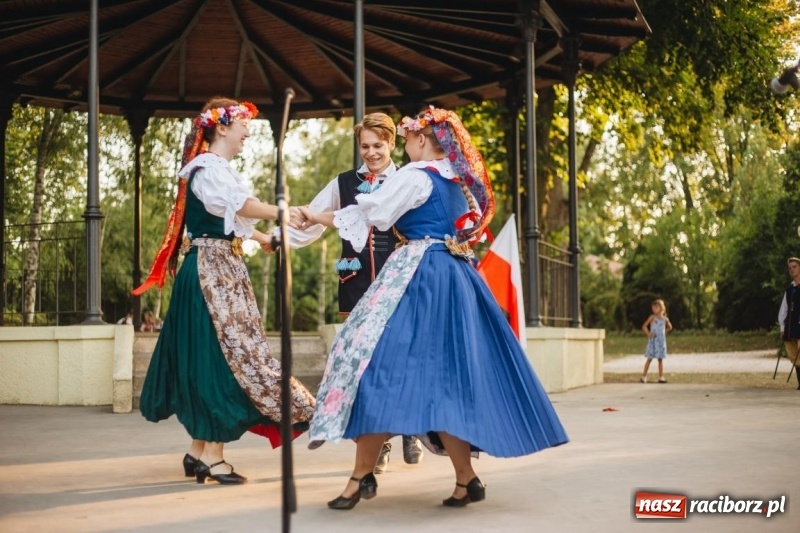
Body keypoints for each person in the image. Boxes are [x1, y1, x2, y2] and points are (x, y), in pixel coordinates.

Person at [297, 106, 569, 510]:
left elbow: (374, 214)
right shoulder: (453, 180)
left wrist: (314, 216)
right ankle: (466, 479)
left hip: (421, 276)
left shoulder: (415, 175)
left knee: (375, 369)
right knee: (445, 382)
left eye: (405, 138)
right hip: (456, 277)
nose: (403, 145)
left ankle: (360, 477)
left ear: (422, 139)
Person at [133, 97, 316, 485]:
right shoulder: (208, 168)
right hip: (210, 273)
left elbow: (232, 217)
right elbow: (241, 205)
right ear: (221, 127)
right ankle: (214, 458)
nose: (248, 132)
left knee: (223, 355)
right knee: (221, 360)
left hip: (221, 268)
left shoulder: (217, 169)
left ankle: (197, 452)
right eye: (244, 125)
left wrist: (265, 237)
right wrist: (282, 211)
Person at [281, 112, 423, 474]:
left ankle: (411, 426)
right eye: (365, 146)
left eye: (378, 145)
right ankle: (382, 441)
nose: (371, 153)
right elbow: (313, 218)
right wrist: (277, 238)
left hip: (401, 284)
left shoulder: (409, 179)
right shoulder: (343, 183)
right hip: (357, 287)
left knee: (403, 359)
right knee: (368, 365)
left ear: (392, 143)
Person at [777, 257, 800, 390]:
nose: (792, 269)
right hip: (792, 327)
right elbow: (783, 310)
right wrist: (782, 327)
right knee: (794, 356)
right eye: (790, 267)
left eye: (794, 266)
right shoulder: (790, 289)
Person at [640, 299, 672, 383]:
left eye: (656, 307)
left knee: (660, 359)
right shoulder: (652, 318)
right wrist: (649, 334)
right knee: (649, 359)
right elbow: (644, 326)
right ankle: (644, 376)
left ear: (661, 308)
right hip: (653, 341)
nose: (654, 309)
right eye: (653, 308)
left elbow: (670, 327)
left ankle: (661, 377)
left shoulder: (665, 319)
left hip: (660, 342)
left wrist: (663, 332)